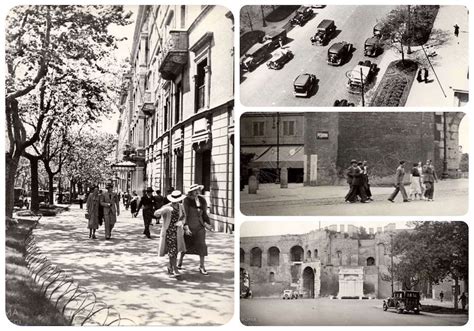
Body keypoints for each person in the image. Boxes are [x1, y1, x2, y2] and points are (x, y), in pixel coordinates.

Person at [179, 184, 213, 275]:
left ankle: (202, 266)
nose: (197, 192)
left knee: (202, 245)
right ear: (191, 192)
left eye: (198, 190)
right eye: (195, 190)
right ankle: (180, 261)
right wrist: (186, 227)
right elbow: (185, 215)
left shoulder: (202, 200)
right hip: (190, 226)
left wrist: (208, 224)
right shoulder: (186, 200)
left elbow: (204, 214)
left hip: (200, 227)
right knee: (186, 245)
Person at [154, 190, 186, 278]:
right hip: (169, 231)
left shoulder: (181, 207)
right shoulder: (167, 207)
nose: (176, 201)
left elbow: (184, 217)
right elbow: (156, 214)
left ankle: (170, 266)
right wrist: (163, 210)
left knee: (175, 250)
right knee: (172, 250)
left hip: (178, 231)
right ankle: (175, 269)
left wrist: (181, 222)